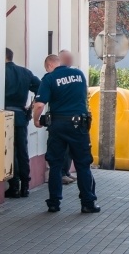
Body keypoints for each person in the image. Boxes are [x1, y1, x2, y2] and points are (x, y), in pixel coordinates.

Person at [33, 54, 100, 213]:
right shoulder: (79, 74)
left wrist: (36, 120)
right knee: (82, 164)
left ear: (49, 66)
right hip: (79, 125)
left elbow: (39, 105)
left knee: (55, 165)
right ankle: (88, 203)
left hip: (57, 125)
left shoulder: (49, 78)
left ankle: (54, 203)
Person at [4, 48, 41, 199]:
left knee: (9, 152)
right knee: (22, 151)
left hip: (4, 116)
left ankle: (14, 186)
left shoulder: (0, 72)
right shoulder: (25, 72)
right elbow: (40, 87)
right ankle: (25, 186)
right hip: (20, 115)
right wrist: (31, 105)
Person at [58, 49, 77, 186]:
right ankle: (62, 173)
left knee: (69, 150)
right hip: (60, 120)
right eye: (68, 59)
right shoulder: (53, 77)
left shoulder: (77, 75)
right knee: (62, 150)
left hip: (74, 120)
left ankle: (66, 172)